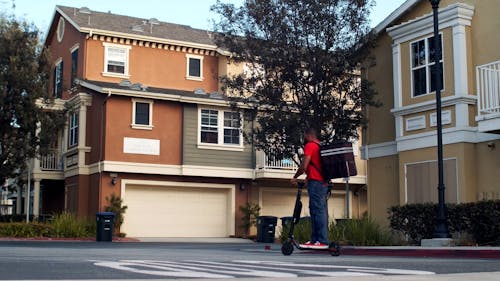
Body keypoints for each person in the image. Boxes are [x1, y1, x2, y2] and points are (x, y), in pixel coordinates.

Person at [291, 127, 329, 249]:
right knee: (316, 210)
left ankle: (321, 240)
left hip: (317, 183)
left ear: (308, 135)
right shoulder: (319, 146)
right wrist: (308, 179)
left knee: (318, 210)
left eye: (304, 136)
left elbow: (304, 165)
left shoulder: (310, 146)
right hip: (320, 182)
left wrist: (295, 177)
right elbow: (314, 167)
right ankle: (315, 240)